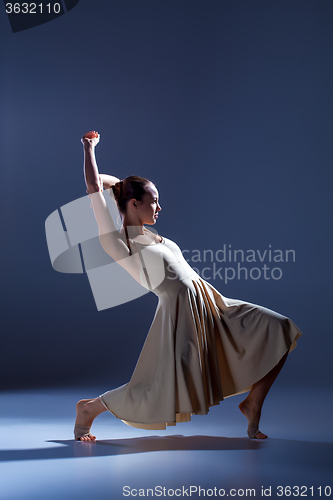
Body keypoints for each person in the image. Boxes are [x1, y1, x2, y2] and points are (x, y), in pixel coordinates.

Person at [74, 132, 302, 441]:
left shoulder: (150, 233)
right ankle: (89, 409)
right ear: (133, 203)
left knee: (279, 328)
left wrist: (122, 186)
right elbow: (94, 185)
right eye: (153, 202)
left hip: (209, 301)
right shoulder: (118, 242)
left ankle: (252, 404)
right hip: (180, 313)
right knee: (158, 387)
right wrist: (90, 148)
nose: (159, 208)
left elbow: (114, 186)